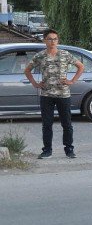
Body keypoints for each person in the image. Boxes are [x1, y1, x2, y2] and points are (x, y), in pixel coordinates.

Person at [24, 29, 84, 159]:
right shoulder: (40, 56)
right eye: (50, 39)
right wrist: (35, 83)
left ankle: (69, 149)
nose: (53, 41)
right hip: (46, 95)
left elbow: (80, 66)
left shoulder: (65, 54)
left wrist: (72, 81)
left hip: (63, 94)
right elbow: (27, 70)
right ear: (45, 40)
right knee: (47, 124)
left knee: (66, 124)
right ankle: (47, 150)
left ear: (58, 40)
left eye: (55, 39)